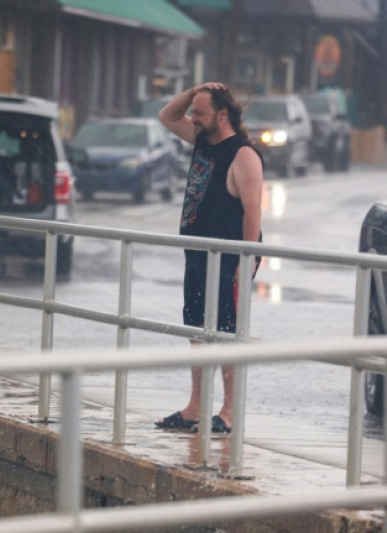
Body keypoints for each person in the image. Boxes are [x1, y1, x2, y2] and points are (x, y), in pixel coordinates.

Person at [154, 82, 264, 434]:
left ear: (222, 114)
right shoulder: (203, 140)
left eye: (200, 113)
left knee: (226, 330)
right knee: (197, 327)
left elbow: (253, 210)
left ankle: (229, 412)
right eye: (193, 112)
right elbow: (167, 116)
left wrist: (246, 258)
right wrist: (193, 91)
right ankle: (195, 408)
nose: (193, 118)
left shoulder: (242, 154)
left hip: (230, 254)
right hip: (199, 250)